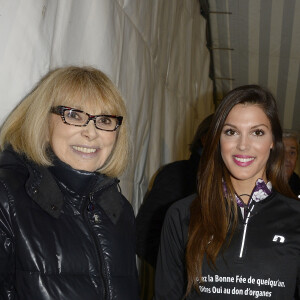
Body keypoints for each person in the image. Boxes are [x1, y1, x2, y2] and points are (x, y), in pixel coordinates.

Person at [0, 66, 139, 299]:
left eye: (104, 119)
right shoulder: (6, 197)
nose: (91, 132)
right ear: (42, 124)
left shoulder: (119, 209)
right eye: (74, 115)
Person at [154, 85, 300, 299]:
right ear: (217, 140)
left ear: (272, 142)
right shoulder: (182, 214)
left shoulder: (296, 217)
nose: (243, 145)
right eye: (231, 132)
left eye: (257, 132)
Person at [136, 114, 213, 268]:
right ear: (204, 139)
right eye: (228, 134)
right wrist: (179, 273)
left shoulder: (230, 181)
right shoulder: (178, 174)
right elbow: (144, 234)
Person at [283, 130, 300, 198]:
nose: (287, 158)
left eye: (292, 153)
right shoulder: (260, 184)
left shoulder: (297, 184)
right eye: (282, 152)